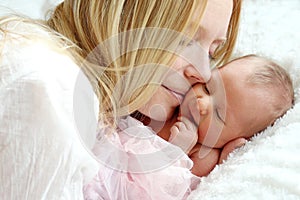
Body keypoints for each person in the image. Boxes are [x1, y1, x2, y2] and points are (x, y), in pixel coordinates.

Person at [0, 0, 242, 199]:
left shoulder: (96, 107)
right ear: (125, 14)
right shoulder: (49, 88)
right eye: (184, 39)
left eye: (212, 53)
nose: (204, 73)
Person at [167, 54, 294, 177]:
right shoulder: (173, 99)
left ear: (235, 139)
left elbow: (170, 188)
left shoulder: (204, 156)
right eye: (207, 88)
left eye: (218, 114)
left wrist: (178, 150)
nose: (201, 103)